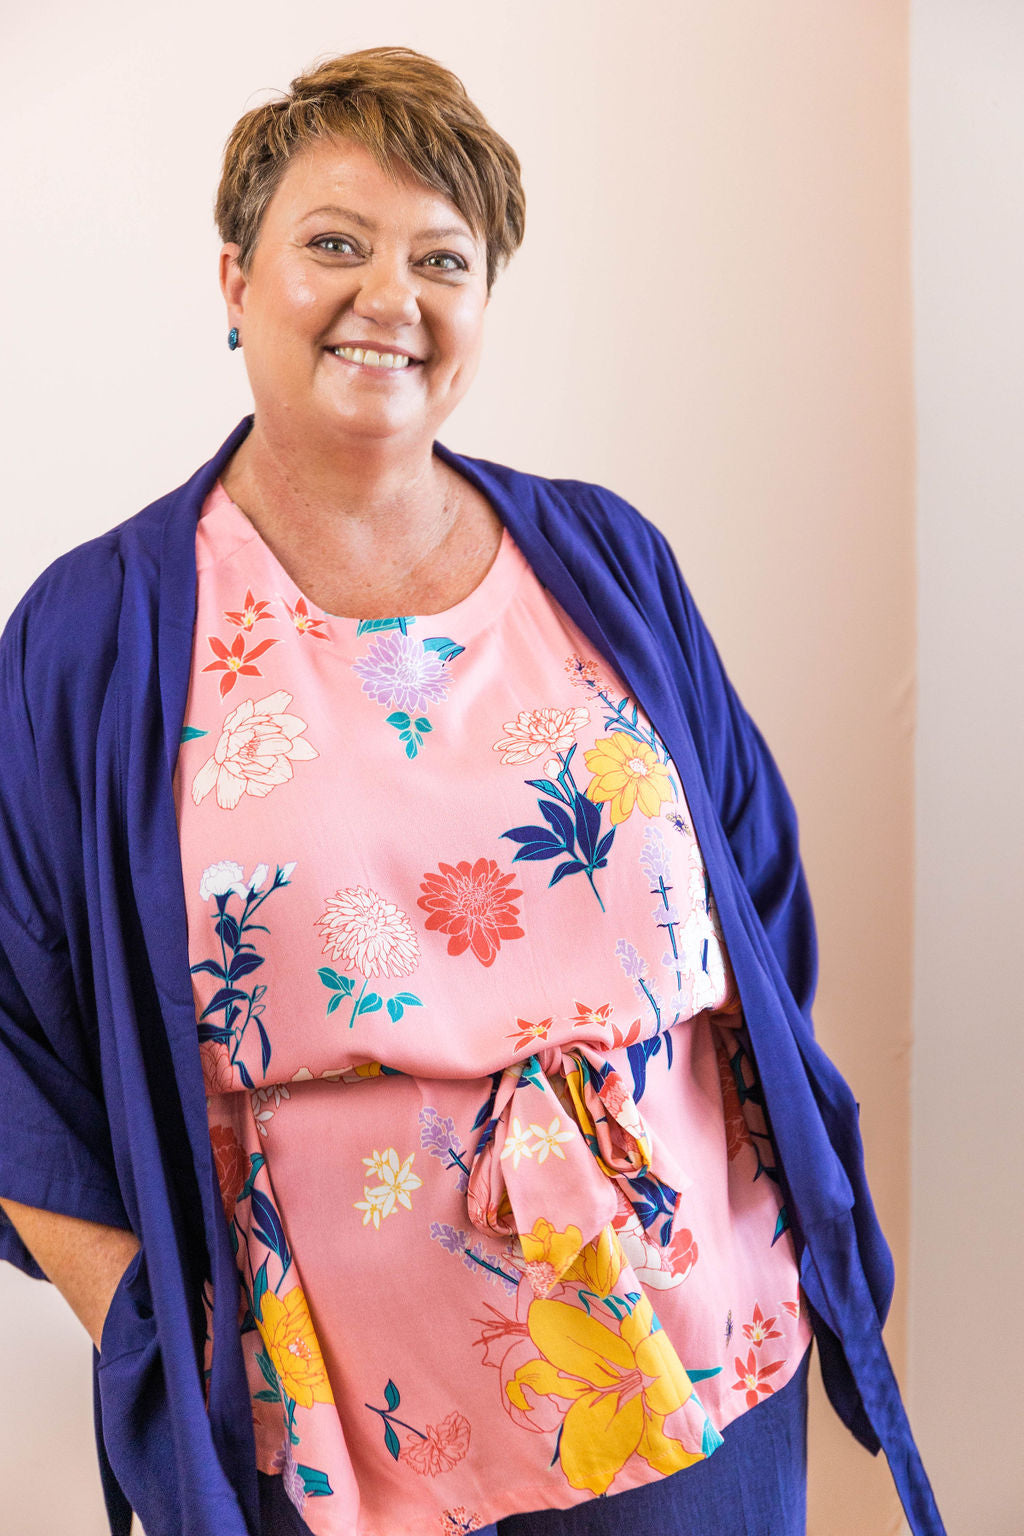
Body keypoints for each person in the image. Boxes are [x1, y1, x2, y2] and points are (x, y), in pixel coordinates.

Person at [0, 44, 943, 1536]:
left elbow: (756, 908)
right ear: (234, 278)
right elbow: (10, 1041)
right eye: (335, 244)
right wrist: (155, 1338)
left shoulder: (607, 559)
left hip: (697, 1374)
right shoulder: (96, 633)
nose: (393, 299)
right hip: (334, 1438)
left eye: (444, 258)